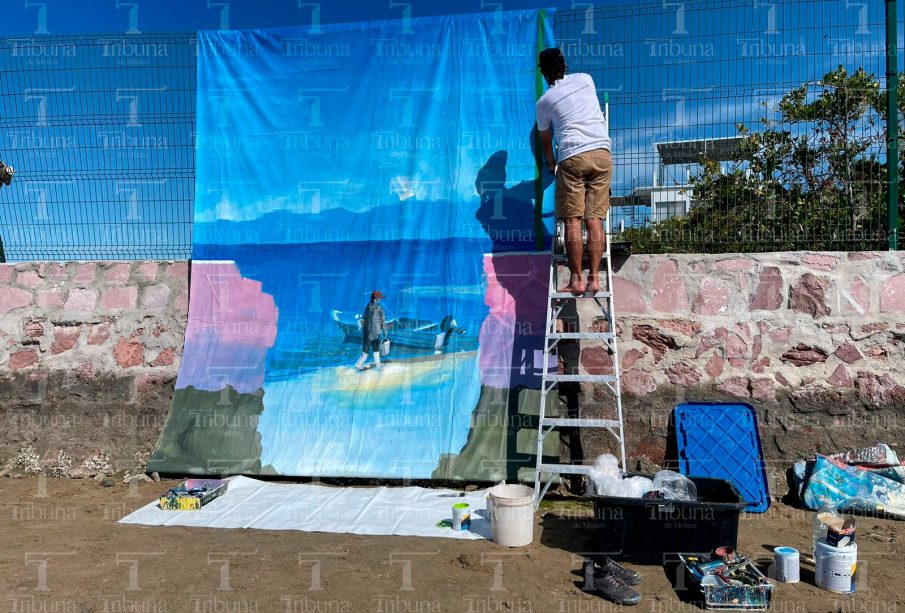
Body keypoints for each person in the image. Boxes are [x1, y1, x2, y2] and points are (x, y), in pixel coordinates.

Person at [535, 47, 613, 296]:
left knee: (572, 221)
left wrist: (550, 162)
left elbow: (545, 138)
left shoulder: (544, 102)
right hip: (602, 154)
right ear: (565, 64)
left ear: (543, 73)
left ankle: (577, 280)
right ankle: (596, 278)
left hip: (573, 156)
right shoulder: (586, 79)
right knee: (594, 219)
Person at [355, 290, 386, 371]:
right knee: (372, 350)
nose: (380, 300)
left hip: (369, 332)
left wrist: (362, 328)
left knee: (369, 350)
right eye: (379, 299)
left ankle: (376, 364)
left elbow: (363, 319)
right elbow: (382, 321)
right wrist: (384, 330)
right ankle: (359, 364)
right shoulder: (379, 309)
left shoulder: (368, 307)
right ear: (376, 299)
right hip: (374, 332)